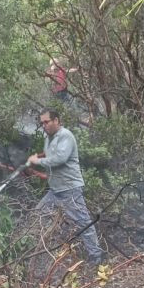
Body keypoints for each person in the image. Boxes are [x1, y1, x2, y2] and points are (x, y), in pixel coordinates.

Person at [26, 108, 105, 265]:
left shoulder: (65, 136)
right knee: (38, 215)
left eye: (46, 122)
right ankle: (38, 257)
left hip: (70, 189)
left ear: (56, 121)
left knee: (83, 222)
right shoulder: (49, 138)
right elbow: (49, 156)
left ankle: (97, 257)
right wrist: (34, 165)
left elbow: (59, 159)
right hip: (55, 191)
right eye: (42, 123)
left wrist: (37, 161)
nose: (44, 125)